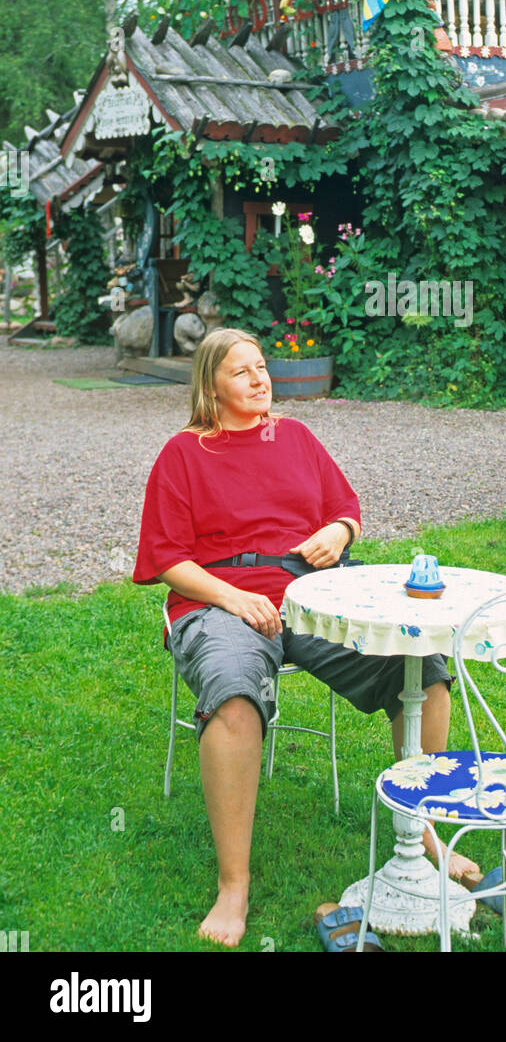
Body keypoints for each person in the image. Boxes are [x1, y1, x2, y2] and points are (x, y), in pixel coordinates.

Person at [133, 326, 479, 947]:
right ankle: (233, 884)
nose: (260, 379)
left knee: (422, 667)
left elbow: (345, 506)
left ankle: (425, 831)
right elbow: (166, 558)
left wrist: (340, 534)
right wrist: (235, 597)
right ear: (210, 384)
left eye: (262, 367)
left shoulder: (294, 436)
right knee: (235, 693)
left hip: (312, 593)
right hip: (220, 600)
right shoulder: (183, 454)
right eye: (242, 372)